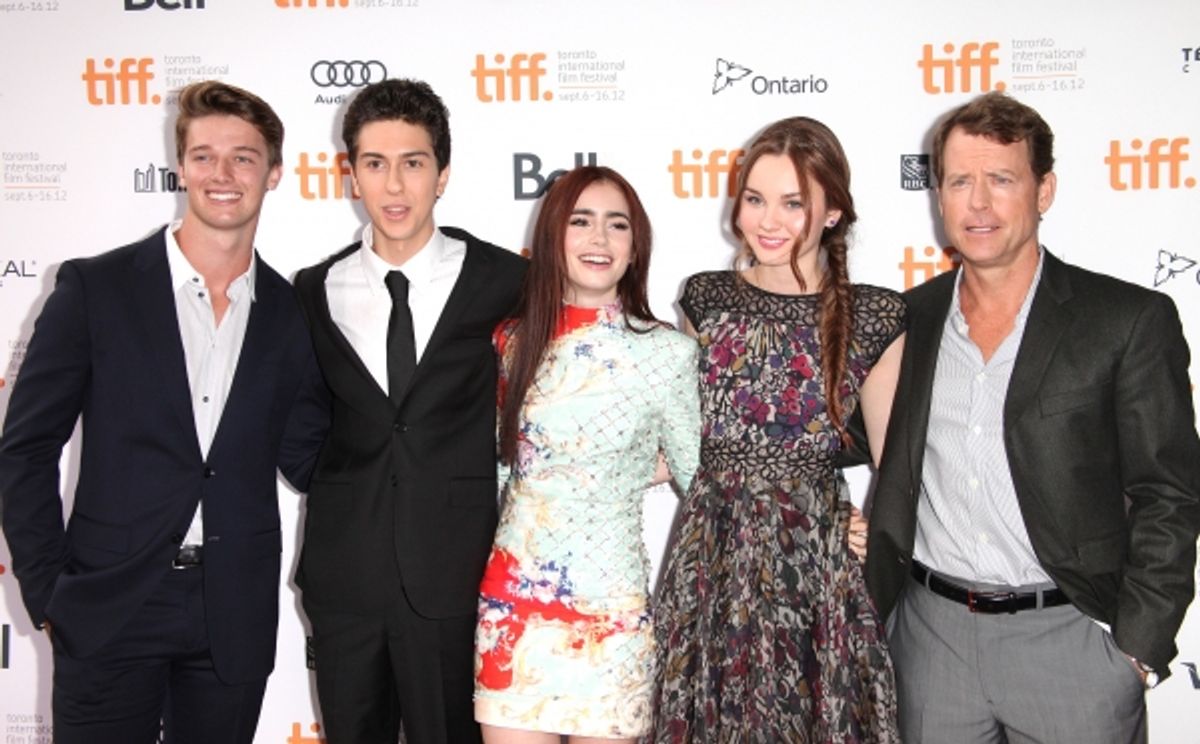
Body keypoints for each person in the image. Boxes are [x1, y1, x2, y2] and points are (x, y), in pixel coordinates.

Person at [866, 91, 1200, 743]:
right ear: (939, 196)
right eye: (960, 181)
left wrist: (1134, 650)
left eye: (1001, 179)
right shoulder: (906, 320)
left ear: (1043, 190)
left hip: (1072, 642)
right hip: (932, 644)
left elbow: (1171, 492)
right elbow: (832, 435)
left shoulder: (1125, 321)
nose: (978, 203)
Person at [0, 80, 328, 744]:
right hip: (110, 604)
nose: (223, 174)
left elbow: (314, 457)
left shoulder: (292, 314)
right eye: (205, 155)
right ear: (180, 169)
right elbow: (25, 449)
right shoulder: (96, 288)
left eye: (244, 156)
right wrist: (49, 594)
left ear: (274, 172)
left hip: (232, 610)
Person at [651, 117, 906, 742]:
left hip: (815, 570)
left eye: (793, 203)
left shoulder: (875, 315)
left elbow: (898, 462)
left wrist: (879, 524)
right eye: (756, 200)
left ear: (832, 213)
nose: (769, 221)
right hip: (712, 562)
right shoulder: (705, 299)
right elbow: (680, 443)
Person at [293, 78, 527, 744]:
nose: (394, 186)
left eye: (413, 163)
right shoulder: (314, 290)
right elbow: (302, 422)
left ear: (443, 174)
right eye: (375, 163)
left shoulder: (504, 281)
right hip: (346, 577)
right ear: (352, 176)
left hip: (457, 574)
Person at [473, 166, 701, 743]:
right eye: (581, 221)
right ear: (553, 235)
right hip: (513, 609)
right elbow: (503, 473)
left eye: (616, 225)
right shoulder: (510, 342)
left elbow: (701, 476)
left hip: (613, 615)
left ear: (635, 246)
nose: (599, 239)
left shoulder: (667, 355)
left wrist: (624, 471)